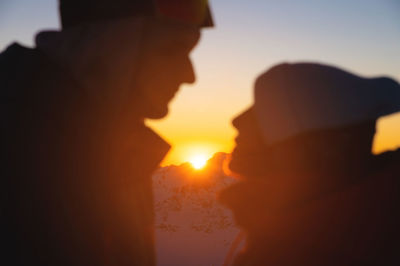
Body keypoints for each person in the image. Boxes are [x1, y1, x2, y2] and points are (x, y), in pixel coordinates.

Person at [1, 0, 213, 265]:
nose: (190, 75)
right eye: (172, 50)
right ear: (112, 45)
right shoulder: (16, 155)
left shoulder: (117, 152)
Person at [220, 63, 400, 266]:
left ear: (328, 145)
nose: (237, 120)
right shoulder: (370, 218)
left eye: (273, 108)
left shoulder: (295, 250)